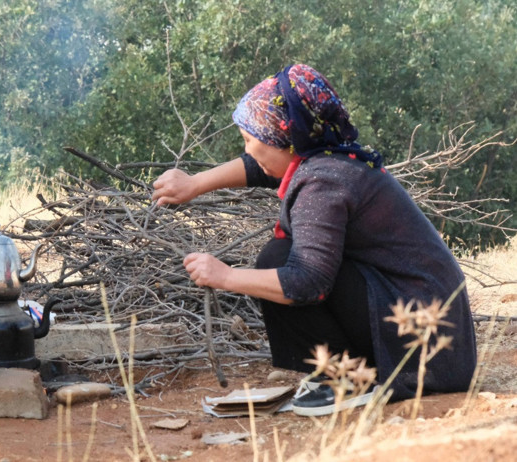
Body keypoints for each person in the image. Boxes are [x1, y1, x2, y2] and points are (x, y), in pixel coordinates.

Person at [151, 63, 477, 417]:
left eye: (250, 139)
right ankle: (349, 370)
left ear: (287, 141)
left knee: (279, 260)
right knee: (282, 255)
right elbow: (261, 164)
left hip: (425, 348)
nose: (247, 149)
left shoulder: (322, 181)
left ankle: (348, 377)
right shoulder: (326, 156)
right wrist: (195, 183)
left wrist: (225, 276)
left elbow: (308, 282)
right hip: (432, 334)